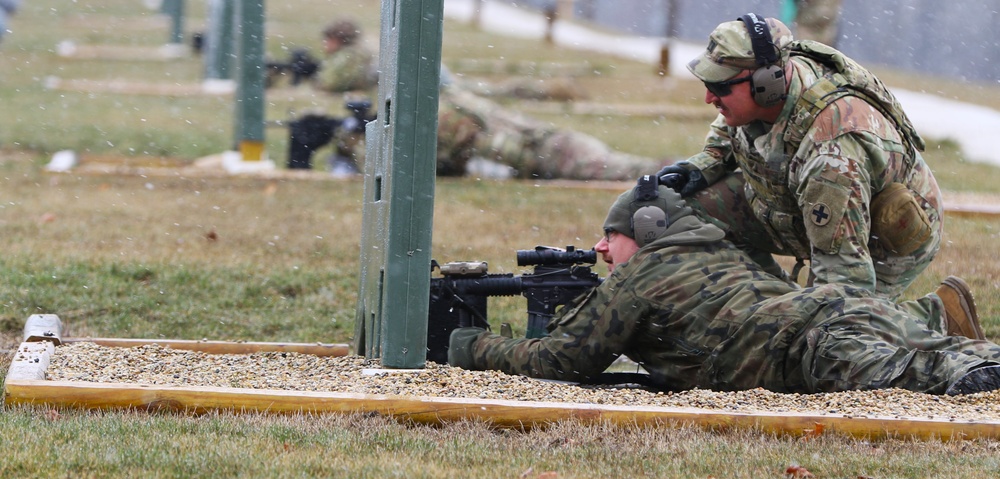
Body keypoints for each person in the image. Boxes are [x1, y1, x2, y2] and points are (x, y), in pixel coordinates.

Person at [445, 179, 1000, 396]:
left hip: (812, 346)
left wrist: (472, 347)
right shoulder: (725, 252)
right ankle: (932, 322)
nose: (601, 250)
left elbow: (566, 361)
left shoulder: (644, 274)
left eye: (610, 237)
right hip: (840, 312)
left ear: (647, 233)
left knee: (940, 377)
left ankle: (947, 344)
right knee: (952, 355)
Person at [657, 14, 983, 339]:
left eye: (720, 86)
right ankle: (775, 300)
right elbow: (730, 129)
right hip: (802, 206)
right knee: (691, 207)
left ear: (766, 83)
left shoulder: (833, 152)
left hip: (882, 235)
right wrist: (703, 164)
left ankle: (939, 317)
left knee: (830, 336)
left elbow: (844, 285)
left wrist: (801, 322)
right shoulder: (768, 89)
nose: (709, 98)